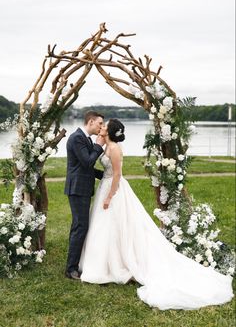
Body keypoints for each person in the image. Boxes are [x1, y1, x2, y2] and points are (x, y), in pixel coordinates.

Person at [79, 118, 233, 309]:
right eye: (100, 125)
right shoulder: (105, 146)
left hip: (114, 190)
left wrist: (110, 197)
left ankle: (119, 264)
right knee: (105, 227)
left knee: (119, 225)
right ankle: (104, 262)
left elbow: (117, 175)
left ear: (109, 131)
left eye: (104, 125)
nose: (101, 127)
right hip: (106, 185)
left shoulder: (115, 149)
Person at [64, 111, 105, 280]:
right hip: (77, 189)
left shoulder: (84, 138)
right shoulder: (77, 138)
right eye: (100, 123)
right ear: (90, 121)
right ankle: (71, 269)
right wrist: (99, 145)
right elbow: (88, 161)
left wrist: (105, 176)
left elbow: (85, 167)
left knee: (80, 226)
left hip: (83, 188)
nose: (102, 127)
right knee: (80, 227)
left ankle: (75, 263)